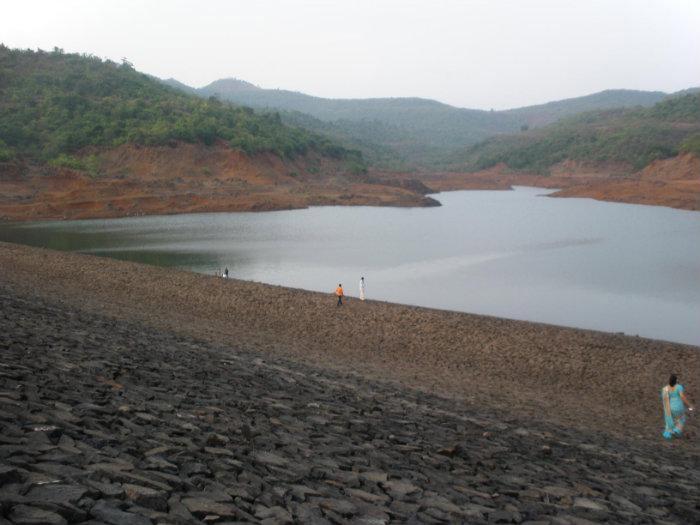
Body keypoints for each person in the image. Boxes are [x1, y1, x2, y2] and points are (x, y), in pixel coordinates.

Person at [661, 374, 694, 440]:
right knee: (682, 419)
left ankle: (670, 432)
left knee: (672, 419)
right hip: (679, 408)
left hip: (670, 408)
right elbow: (682, 397)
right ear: (676, 380)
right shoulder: (679, 387)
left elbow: (665, 398)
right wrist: (689, 405)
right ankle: (676, 430)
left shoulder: (666, 388)